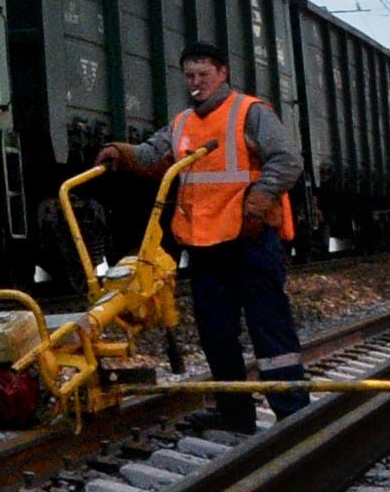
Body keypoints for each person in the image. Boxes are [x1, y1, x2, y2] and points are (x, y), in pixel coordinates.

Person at [103, 43, 307, 429]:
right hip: (205, 246)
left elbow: (287, 160)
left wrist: (259, 201)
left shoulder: (250, 112)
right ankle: (235, 415)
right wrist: (121, 152)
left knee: (270, 329)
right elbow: (152, 154)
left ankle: (292, 413)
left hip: (250, 241)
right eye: (190, 76)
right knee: (216, 334)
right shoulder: (182, 123)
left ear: (222, 73)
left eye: (203, 75)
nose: (196, 83)